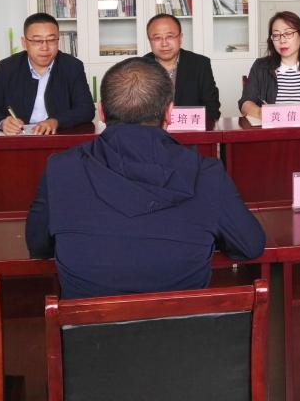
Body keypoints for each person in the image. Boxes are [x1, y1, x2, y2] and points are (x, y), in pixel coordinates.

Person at [25, 58, 265, 299]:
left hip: (86, 323)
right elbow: (250, 245)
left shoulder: (61, 168)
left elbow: (38, 246)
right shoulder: (207, 173)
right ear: (170, 112)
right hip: (183, 322)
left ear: (101, 112)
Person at [0, 13, 94, 135]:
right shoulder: (6, 68)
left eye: (51, 40)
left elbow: (86, 109)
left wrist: (56, 121)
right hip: (18, 138)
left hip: (57, 136)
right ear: (24, 43)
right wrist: (2, 122)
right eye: (37, 41)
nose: (45, 47)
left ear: (58, 41)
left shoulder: (72, 66)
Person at [239, 11, 300, 117]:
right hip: (271, 126)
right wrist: (261, 113)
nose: (282, 40)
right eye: (276, 35)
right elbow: (245, 103)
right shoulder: (260, 66)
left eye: (288, 34)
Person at [143, 13, 221, 121]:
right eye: (157, 38)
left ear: (180, 38)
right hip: (151, 130)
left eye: (170, 36)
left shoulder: (200, 64)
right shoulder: (139, 68)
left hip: (190, 130)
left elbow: (212, 110)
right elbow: (131, 113)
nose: (164, 43)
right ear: (149, 41)